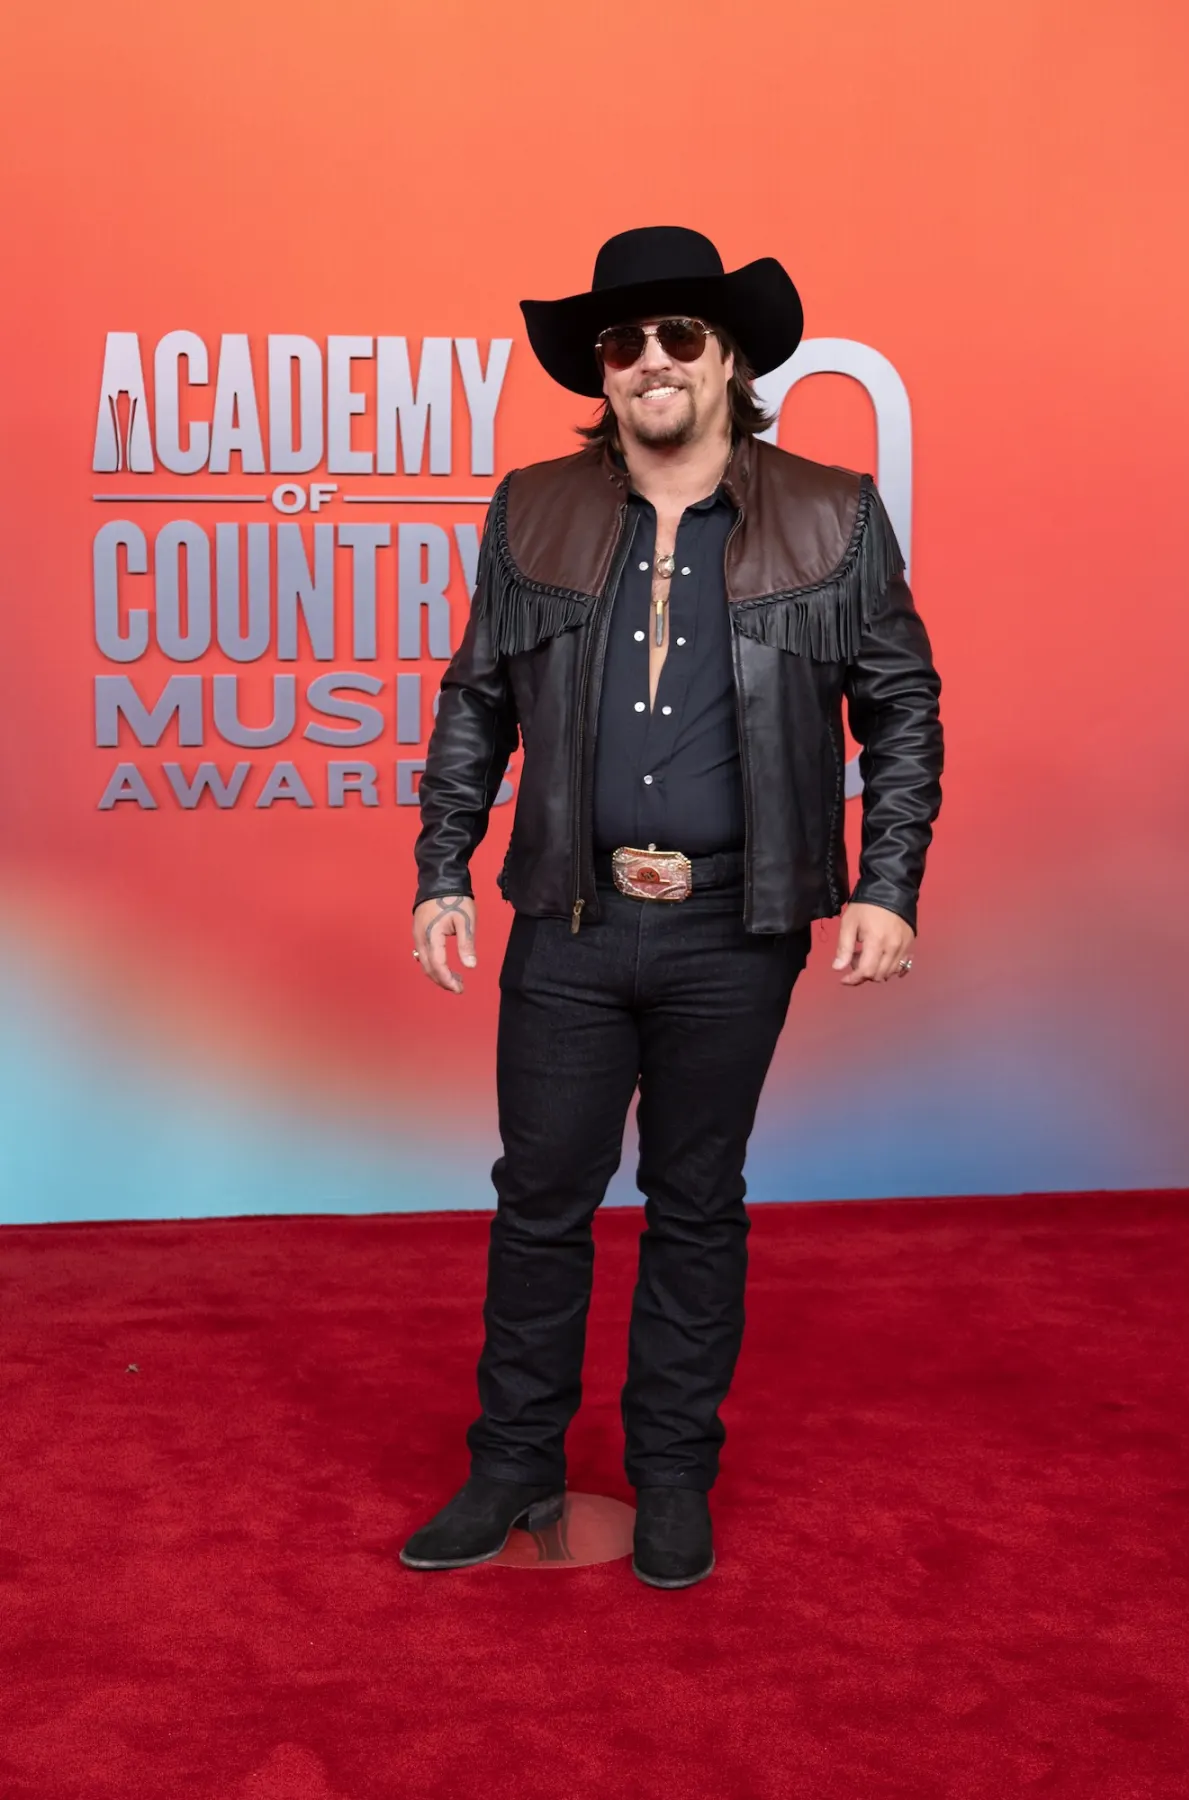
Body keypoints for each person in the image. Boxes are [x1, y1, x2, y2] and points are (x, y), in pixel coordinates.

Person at [401, 226, 943, 1588]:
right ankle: (512, 1463)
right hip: (568, 917)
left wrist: (889, 883)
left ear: (730, 359)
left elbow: (901, 706)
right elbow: (476, 698)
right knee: (540, 1200)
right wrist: (443, 866)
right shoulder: (532, 509)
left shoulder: (832, 512)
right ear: (602, 370)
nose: (651, 360)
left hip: (733, 929)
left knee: (697, 1201)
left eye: (680, 336)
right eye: (623, 342)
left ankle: (675, 1474)